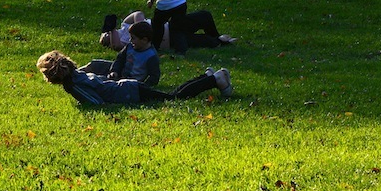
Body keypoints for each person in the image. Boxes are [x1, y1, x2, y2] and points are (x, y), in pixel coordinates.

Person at [36, 50, 233, 106]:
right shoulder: (77, 73)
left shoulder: (72, 85)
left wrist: (83, 106)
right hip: (128, 85)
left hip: (128, 93)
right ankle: (206, 76)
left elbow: (96, 102)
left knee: (173, 98)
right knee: (169, 95)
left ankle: (214, 80)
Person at [99, 10, 237, 52]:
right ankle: (221, 41)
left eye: (104, 34)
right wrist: (111, 31)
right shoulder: (125, 43)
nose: (106, 35)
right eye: (106, 36)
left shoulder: (125, 25)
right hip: (170, 40)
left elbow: (138, 14)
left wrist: (141, 28)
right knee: (205, 42)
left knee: (204, 16)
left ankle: (217, 36)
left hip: (168, 27)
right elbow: (116, 45)